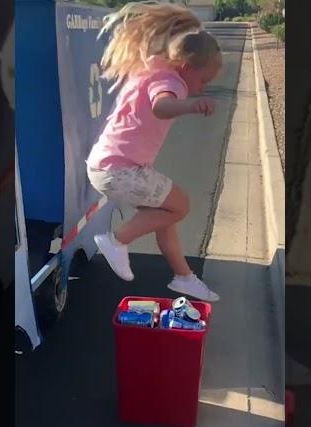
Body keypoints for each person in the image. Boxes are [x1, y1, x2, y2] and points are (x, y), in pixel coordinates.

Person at [87, 2, 222, 302]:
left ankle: (184, 277)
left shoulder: (153, 65)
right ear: (186, 67)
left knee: (166, 215)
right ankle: (116, 241)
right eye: (203, 81)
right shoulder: (170, 81)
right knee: (181, 205)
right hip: (120, 170)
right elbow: (161, 106)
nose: (202, 88)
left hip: (108, 166)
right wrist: (190, 105)